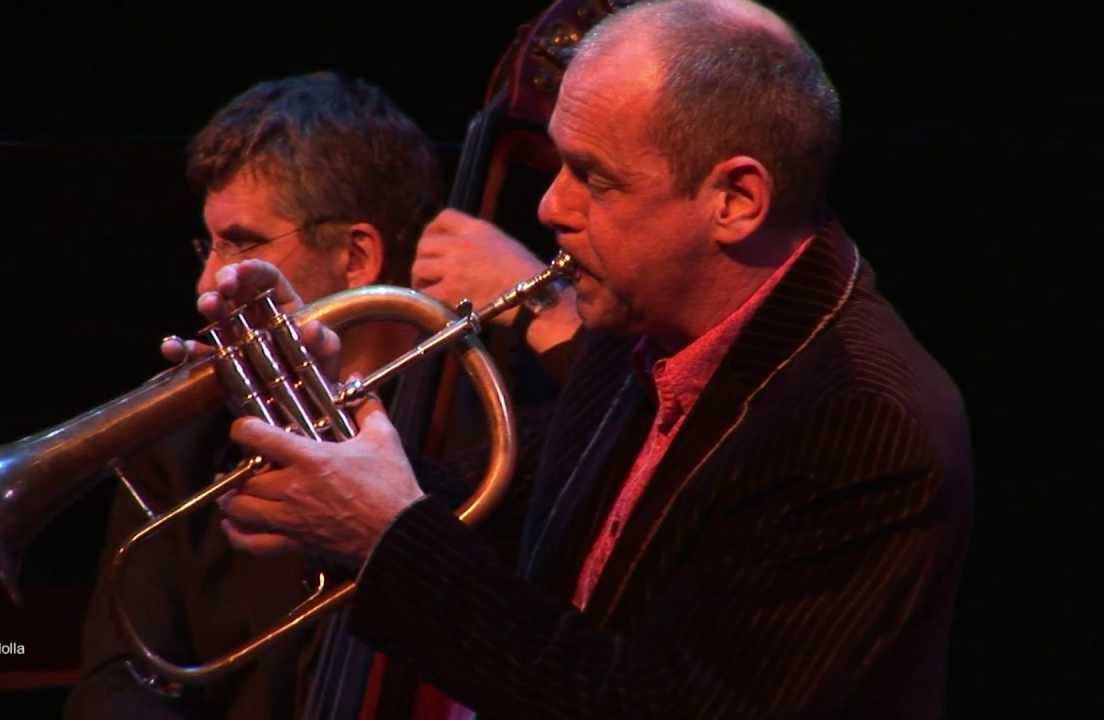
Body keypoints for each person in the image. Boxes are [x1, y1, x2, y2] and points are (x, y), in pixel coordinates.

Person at [212, 1, 975, 717]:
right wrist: (320, 450)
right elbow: (503, 505)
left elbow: (657, 705)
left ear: (736, 199)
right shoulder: (644, 322)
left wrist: (384, 537)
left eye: (594, 178)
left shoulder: (865, 426)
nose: (550, 208)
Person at [65, 71, 446, 719]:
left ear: (358, 256)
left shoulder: (463, 427)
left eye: (240, 244)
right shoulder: (182, 439)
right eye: (207, 245)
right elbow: (117, 683)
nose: (207, 285)